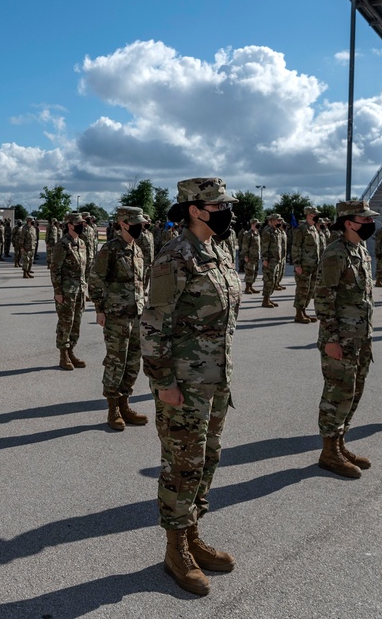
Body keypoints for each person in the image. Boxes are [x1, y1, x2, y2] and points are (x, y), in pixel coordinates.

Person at [141, 177, 240, 596]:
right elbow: (152, 325)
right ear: (196, 210)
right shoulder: (174, 257)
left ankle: (194, 531)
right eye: (219, 206)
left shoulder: (217, 250)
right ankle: (175, 546)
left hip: (214, 379)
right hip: (183, 381)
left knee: (207, 457)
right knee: (182, 463)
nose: (227, 213)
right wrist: (164, 382)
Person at [314, 200, 378, 479]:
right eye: (364, 220)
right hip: (340, 337)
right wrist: (331, 339)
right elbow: (324, 297)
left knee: (354, 391)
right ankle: (329, 451)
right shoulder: (335, 253)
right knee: (337, 393)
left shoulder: (360, 249)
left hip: (361, 335)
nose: (369, 225)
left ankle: (340, 443)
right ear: (349, 223)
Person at [89, 206, 150, 431]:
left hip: (136, 314)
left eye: (140, 223)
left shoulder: (137, 249)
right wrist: (99, 309)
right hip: (116, 315)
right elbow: (95, 278)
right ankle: (112, 408)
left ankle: (125, 403)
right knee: (116, 361)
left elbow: (141, 283)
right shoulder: (110, 249)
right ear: (123, 223)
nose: (139, 227)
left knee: (133, 361)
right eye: (135, 223)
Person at [51, 212, 89, 371]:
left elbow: (84, 269)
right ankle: (63, 355)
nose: (82, 225)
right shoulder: (62, 244)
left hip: (79, 289)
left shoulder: (81, 243)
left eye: (83, 223)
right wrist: (58, 292)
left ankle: (71, 351)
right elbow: (55, 270)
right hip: (66, 291)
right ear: (70, 225)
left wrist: (85, 288)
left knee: (76, 322)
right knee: (66, 322)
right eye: (78, 223)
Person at [292, 206, 325, 323]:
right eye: (315, 214)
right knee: (302, 289)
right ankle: (298, 314)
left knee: (310, 290)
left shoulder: (314, 229)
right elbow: (296, 247)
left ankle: (303, 310)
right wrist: (297, 264)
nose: (317, 216)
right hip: (304, 265)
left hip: (314, 264)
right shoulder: (301, 229)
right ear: (309, 215)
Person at [260, 213, 286, 308]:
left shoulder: (277, 231)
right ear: (271, 220)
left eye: (280, 220)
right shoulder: (267, 231)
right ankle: (265, 300)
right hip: (270, 260)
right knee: (268, 280)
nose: (279, 222)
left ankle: (268, 298)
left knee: (273, 280)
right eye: (277, 220)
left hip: (276, 260)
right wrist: (265, 259)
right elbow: (264, 246)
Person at [240, 218, 261, 294]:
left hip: (256, 256)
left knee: (255, 272)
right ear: (252, 224)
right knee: (249, 272)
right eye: (256, 224)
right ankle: (247, 288)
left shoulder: (257, 233)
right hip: (250, 257)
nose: (258, 225)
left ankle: (251, 286)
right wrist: (245, 256)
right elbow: (245, 246)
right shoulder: (248, 234)